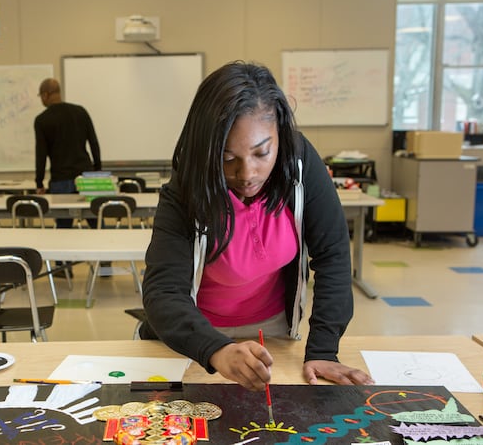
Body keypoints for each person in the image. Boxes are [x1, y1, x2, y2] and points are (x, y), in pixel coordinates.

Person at [140, 61, 374, 392]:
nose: (247, 173)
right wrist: (216, 349)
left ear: (279, 136)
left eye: (262, 152)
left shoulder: (300, 163)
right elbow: (163, 291)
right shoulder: (186, 188)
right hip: (193, 338)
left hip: (272, 335)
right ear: (206, 150)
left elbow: (332, 253)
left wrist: (324, 349)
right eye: (226, 158)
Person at [34, 77, 101, 229]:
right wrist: (97, 172)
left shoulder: (42, 120)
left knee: (63, 228)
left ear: (46, 95)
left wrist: (39, 182)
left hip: (60, 179)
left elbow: (41, 154)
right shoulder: (80, 112)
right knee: (97, 223)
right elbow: (94, 143)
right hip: (86, 177)